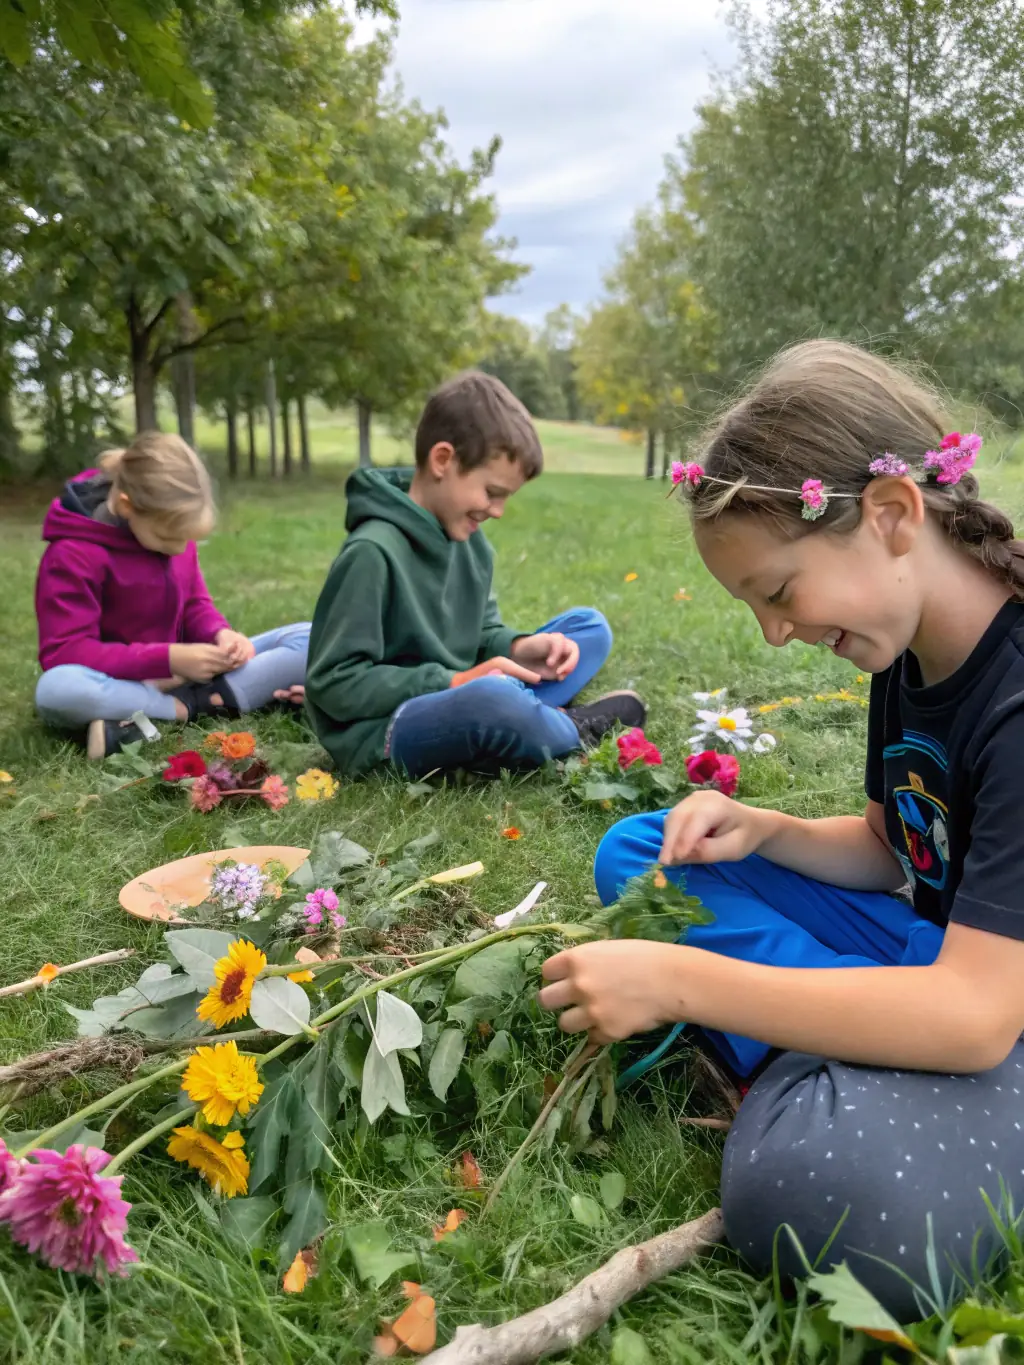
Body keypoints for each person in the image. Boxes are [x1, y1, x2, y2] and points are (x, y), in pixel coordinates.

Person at [539, 339, 1024, 1319]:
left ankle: (803, 1039)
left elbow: (977, 1016)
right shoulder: (905, 656)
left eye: (777, 592)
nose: (772, 633)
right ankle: (842, 1036)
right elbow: (895, 850)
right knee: (643, 854)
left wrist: (679, 980)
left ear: (891, 517)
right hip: (933, 953)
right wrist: (761, 829)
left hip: (993, 1010)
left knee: (804, 1189)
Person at [305, 371, 644, 778]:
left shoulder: (472, 543)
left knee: (590, 629)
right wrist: (454, 681)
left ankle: (527, 715)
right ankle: (569, 728)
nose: (497, 511)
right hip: (386, 727)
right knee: (491, 700)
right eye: (492, 493)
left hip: (470, 689)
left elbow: (479, 635)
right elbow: (334, 683)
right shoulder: (371, 553)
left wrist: (521, 647)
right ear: (443, 460)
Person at [35, 432, 311, 759]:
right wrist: (168, 659)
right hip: (122, 681)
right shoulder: (73, 554)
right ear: (127, 506)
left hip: (189, 670)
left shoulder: (166, 525)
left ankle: (148, 718)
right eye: (169, 539)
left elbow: (195, 602)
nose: (180, 549)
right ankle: (185, 708)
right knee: (57, 689)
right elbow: (65, 651)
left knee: (311, 638)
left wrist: (219, 634)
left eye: (188, 539)